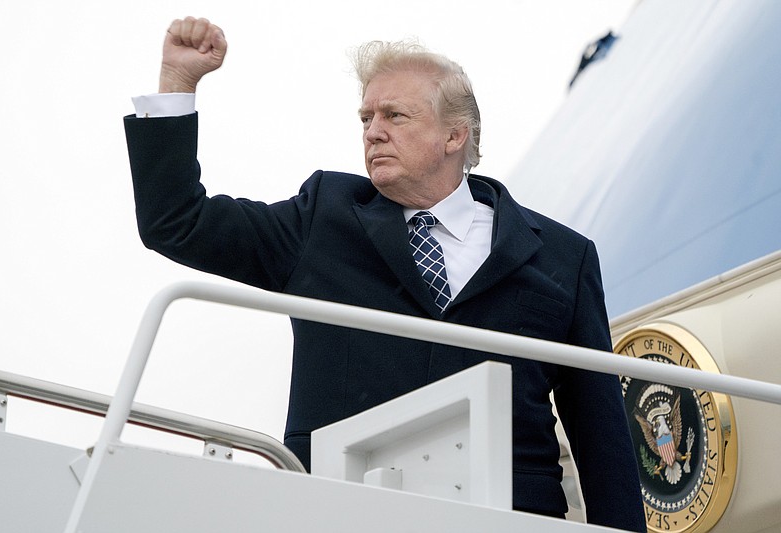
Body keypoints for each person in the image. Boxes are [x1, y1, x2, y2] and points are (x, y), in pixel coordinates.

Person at [124, 17, 646, 532]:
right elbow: (177, 222)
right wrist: (177, 84)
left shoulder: (563, 256)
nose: (373, 132)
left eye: (395, 115)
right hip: (344, 513)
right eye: (366, 118)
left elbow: (602, 439)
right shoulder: (321, 219)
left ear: (454, 135)